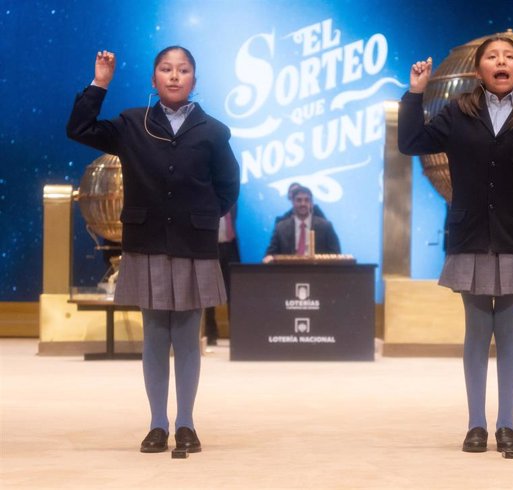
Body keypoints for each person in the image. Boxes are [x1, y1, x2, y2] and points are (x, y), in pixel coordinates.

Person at [67, 46, 240, 454]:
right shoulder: (132, 123)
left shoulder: (214, 131)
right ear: (154, 79)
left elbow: (228, 187)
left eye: (183, 70)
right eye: (166, 69)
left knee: (186, 336)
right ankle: (157, 424)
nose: (175, 76)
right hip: (146, 243)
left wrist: (200, 216)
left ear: (194, 80)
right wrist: (100, 84)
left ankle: (186, 424)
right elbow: (79, 129)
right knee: (154, 336)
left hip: (193, 245)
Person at [398, 37, 513, 457]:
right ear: (479, 71)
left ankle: (507, 425)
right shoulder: (458, 112)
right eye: (493, 57)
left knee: (509, 334)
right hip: (470, 234)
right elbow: (411, 141)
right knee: (477, 332)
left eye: (509, 57)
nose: (501, 62)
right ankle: (476, 425)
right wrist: (417, 92)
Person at [264, 185, 340, 259]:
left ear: (311, 203)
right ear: (292, 202)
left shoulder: (326, 226)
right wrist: (268, 259)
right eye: (299, 200)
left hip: (317, 271)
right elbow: (270, 255)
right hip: (289, 271)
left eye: (306, 200)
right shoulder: (280, 228)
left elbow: (336, 254)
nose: (303, 204)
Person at [204, 205, 240, 346]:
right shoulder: (208, 201)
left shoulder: (233, 203)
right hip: (211, 247)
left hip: (231, 248)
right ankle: (211, 333)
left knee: (233, 291)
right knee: (209, 292)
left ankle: (235, 333)